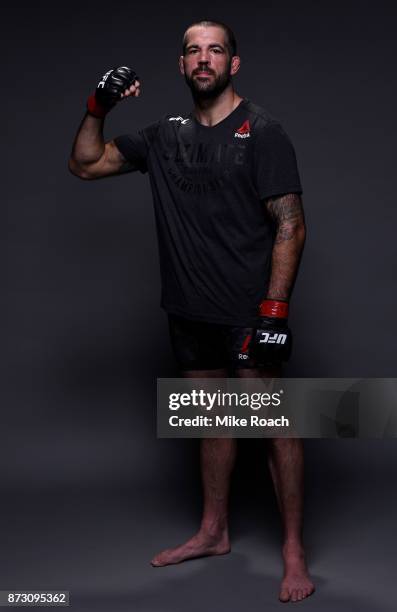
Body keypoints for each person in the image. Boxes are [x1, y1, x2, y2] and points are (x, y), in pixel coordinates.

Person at [69, 19, 314, 603]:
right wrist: (97, 106)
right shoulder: (162, 134)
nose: (204, 59)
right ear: (181, 65)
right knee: (209, 421)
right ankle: (213, 532)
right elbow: (85, 164)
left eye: (215, 50)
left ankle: (293, 550)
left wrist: (274, 312)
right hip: (188, 308)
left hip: (250, 311)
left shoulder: (264, 131)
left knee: (276, 427)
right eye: (192, 51)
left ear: (233, 64)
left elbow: (291, 225)